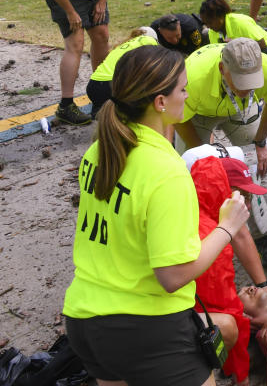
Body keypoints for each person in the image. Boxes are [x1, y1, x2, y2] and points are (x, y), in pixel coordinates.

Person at [63, 45, 250, 386]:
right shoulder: (165, 170)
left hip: (83, 319)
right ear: (160, 102)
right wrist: (227, 228)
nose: (188, 94)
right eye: (182, 89)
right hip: (145, 326)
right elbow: (173, 276)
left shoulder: (98, 150)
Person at [174, 39, 267, 266]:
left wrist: (261, 142)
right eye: (240, 81)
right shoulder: (193, 77)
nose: (247, 87)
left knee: (255, 168)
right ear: (222, 69)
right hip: (197, 113)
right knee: (192, 172)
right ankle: (200, 234)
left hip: (241, 110)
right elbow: (180, 119)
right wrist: (205, 153)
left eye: (251, 81)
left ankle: (265, 235)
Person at [185, 146, 267, 386]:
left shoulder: (188, 210)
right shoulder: (213, 238)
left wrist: (263, 285)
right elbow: (227, 314)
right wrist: (241, 377)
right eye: (243, 194)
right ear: (226, 192)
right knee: (228, 327)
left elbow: (241, 235)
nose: (248, 202)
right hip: (162, 326)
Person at [86, 26, 159, 118]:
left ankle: (102, 115)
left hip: (93, 86)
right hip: (110, 87)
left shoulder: (123, 46)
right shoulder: (148, 40)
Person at [200, 0, 267, 65]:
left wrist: (238, 44)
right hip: (248, 56)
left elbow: (261, 44)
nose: (207, 26)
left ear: (220, 17)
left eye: (210, 22)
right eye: (205, 23)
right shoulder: (213, 31)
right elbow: (218, 54)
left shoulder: (240, 22)